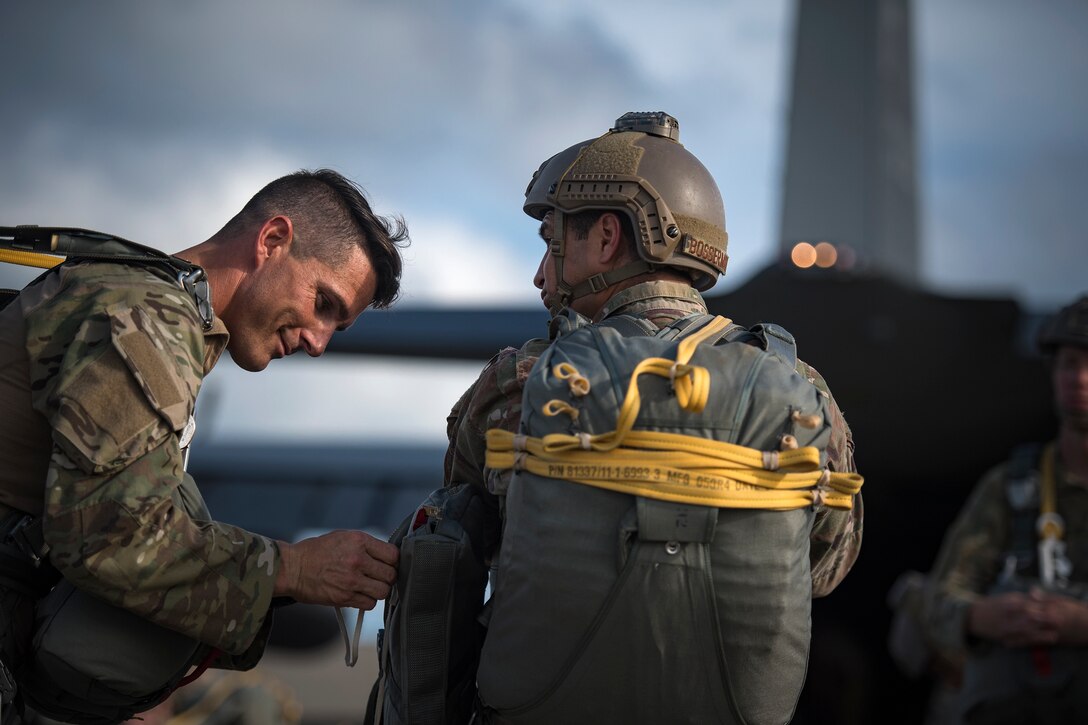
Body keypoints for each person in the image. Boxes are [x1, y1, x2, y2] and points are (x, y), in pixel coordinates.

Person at [442, 111, 863, 723]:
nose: (540, 273)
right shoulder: (800, 390)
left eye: (551, 241)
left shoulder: (520, 381)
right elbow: (825, 567)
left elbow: (459, 536)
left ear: (607, 238)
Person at [0, 168, 408, 723]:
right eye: (324, 303)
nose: (318, 342)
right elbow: (108, 534)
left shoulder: (149, 308)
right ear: (272, 241)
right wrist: (291, 568)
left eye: (338, 326)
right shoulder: (147, 319)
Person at [923, 294, 1088, 724]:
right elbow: (939, 598)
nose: (1080, 377)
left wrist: (1078, 623)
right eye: (1069, 362)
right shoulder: (1013, 486)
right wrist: (980, 617)